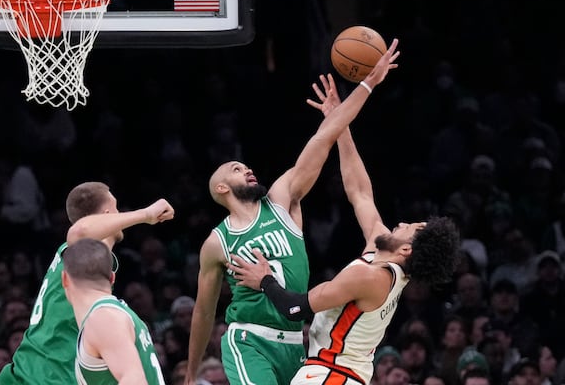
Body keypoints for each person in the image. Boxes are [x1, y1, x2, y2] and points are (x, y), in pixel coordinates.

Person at [226, 61, 460, 384]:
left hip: (331, 376)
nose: (404, 222)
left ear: (407, 248)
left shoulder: (371, 278)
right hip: (334, 373)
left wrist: (264, 279)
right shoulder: (380, 253)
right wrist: (339, 123)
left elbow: (296, 309)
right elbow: (360, 192)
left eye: (413, 228)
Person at [184, 39, 401, 385]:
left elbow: (323, 138)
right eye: (236, 169)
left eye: (246, 166)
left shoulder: (282, 199)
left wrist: (365, 87)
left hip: (295, 342)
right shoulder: (217, 242)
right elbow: (204, 310)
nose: (247, 169)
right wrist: (191, 372)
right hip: (248, 339)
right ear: (221, 189)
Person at [0, 181, 174, 385]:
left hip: (35, 370)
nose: (120, 215)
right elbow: (79, 231)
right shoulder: (78, 255)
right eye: (116, 208)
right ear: (108, 214)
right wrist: (146, 214)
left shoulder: (87, 264)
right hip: (46, 374)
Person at [62, 238, 166, 384]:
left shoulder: (103, 318)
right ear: (112, 278)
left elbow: (135, 380)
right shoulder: (117, 314)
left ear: (64, 279)